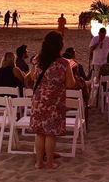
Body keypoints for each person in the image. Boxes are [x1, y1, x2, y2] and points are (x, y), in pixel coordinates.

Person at [28, 32, 75, 170]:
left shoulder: (37, 60)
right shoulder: (64, 63)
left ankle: (38, 163)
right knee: (50, 133)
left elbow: (32, 76)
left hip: (39, 101)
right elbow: (70, 84)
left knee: (40, 132)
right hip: (54, 101)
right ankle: (49, 162)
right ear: (59, 45)